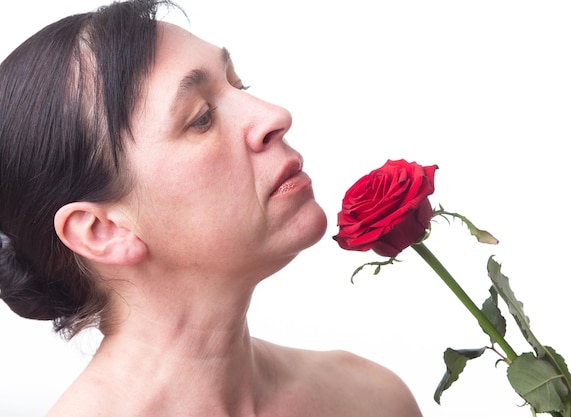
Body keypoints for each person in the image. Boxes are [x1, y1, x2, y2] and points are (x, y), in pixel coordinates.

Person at [0, 1, 422, 415]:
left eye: (239, 85)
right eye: (202, 117)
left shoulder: (372, 398)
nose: (276, 115)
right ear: (101, 230)